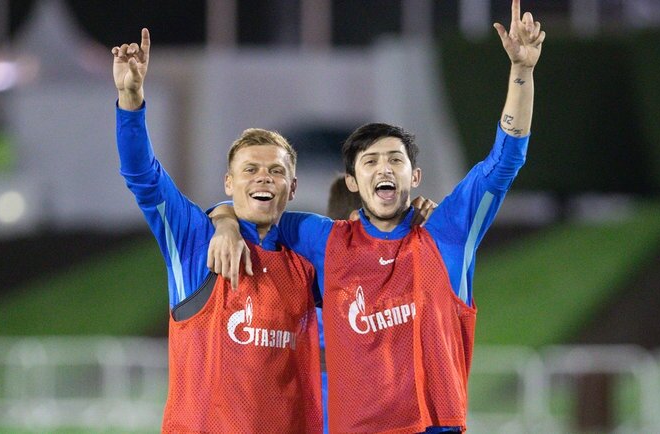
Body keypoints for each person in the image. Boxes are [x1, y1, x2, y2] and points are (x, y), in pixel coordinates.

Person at [208, 1, 545, 432]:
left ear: (415, 176)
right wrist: (223, 219)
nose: (384, 169)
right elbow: (259, 209)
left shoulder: (447, 233)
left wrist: (522, 72)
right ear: (352, 181)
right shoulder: (325, 239)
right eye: (370, 162)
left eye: (395, 160)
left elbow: (505, 160)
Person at [112, 29, 322, 433]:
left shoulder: (308, 254)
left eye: (276, 171)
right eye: (250, 169)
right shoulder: (194, 239)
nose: (263, 178)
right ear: (229, 183)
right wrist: (131, 101)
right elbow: (144, 178)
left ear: (292, 187)